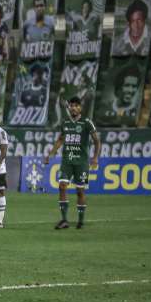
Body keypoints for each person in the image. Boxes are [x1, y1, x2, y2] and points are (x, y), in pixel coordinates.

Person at [44, 96, 101, 229]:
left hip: (81, 163)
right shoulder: (65, 123)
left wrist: (95, 157)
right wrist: (51, 154)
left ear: (80, 108)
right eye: (71, 105)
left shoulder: (87, 123)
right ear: (68, 107)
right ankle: (64, 220)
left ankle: (80, 220)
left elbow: (97, 141)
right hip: (67, 161)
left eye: (76, 105)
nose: (73, 108)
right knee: (62, 186)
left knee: (80, 191)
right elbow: (60, 139)